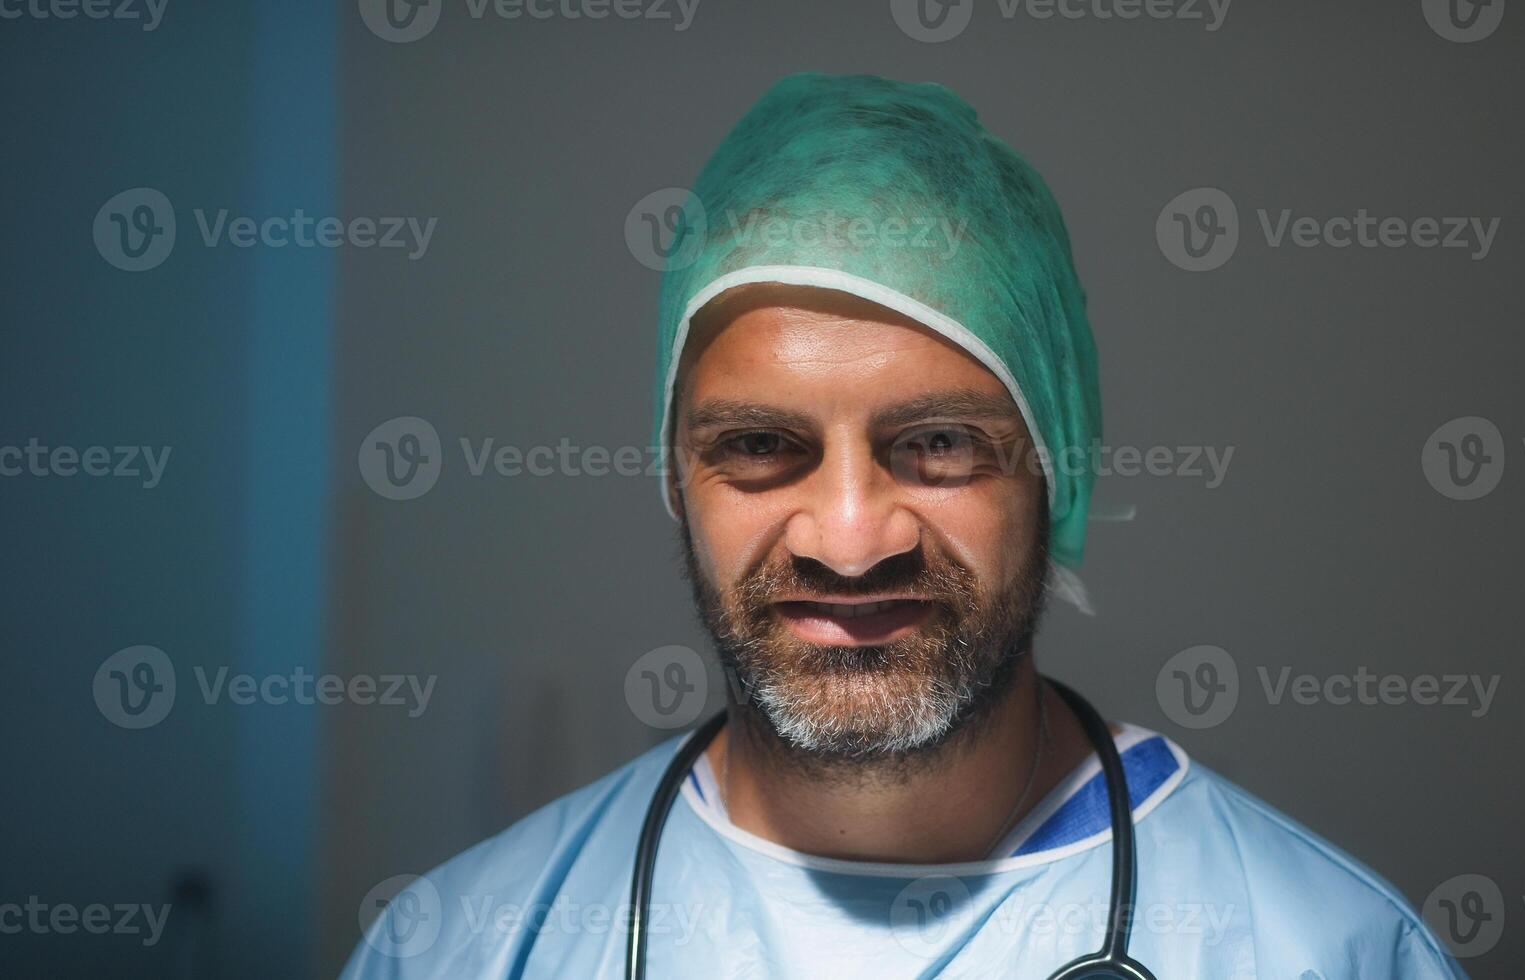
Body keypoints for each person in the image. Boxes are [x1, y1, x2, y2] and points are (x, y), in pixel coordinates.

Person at [342, 72, 1465, 979]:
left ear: (1053, 466)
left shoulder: (1321, 951)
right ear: (674, 476)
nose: (846, 537)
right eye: (758, 446)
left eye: (936, 444)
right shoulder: (460, 945)